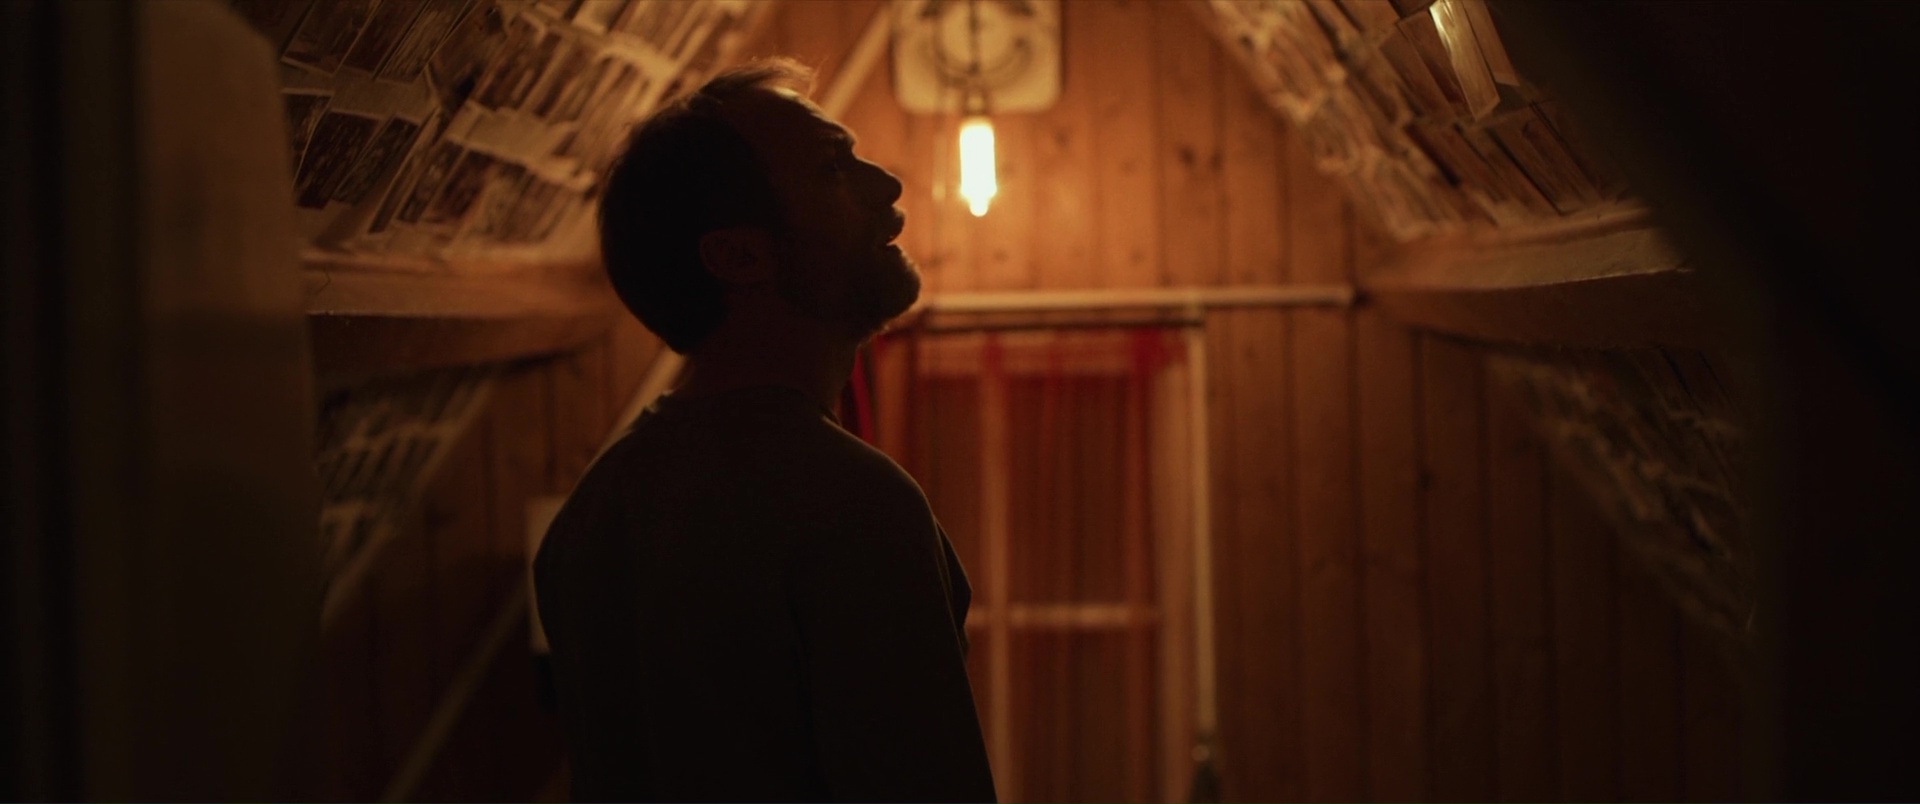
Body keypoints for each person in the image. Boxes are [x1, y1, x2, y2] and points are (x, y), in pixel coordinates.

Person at [533, 59, 997, 803]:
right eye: (833, 168)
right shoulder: (853, 506)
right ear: (739, 255)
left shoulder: (592, 517)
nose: (887, 185)